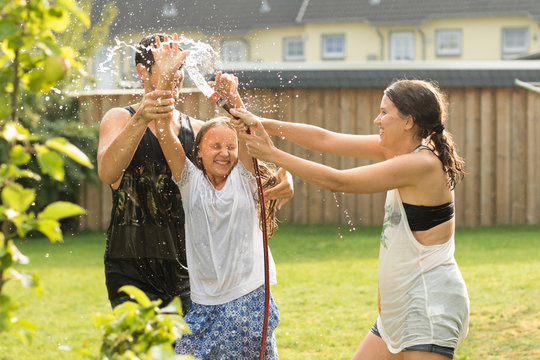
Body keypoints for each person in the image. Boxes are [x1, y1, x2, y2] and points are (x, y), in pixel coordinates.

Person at [230, 79, 470, 360]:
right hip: (400, 308)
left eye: (384, 112)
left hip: (429, 305)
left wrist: (272, 154)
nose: (376, 119)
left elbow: (337, 181)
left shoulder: (422, 164)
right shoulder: (402, 152)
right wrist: (260, 123)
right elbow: (325, 140)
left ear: (408, 121)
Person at [96, 33, 293, 313]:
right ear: (142, 71)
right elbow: (107, 172)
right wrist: (141, 118)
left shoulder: (200, 132)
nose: (175, 75)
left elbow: (250, 174)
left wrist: (284, 178)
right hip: (129, 269)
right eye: (166, 66)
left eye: (178, 67)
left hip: (190, 270)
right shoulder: (121, 119)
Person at [148, 37, 280, 359]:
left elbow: (247, 133)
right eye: (215, 146)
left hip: (247, 298)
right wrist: (165, 78)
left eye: (230, 146)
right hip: (204, 302)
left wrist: (233, 99)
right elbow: (163, 127)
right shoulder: (189, 182)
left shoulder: (244, 179)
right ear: (199, 152)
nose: (224, 153)